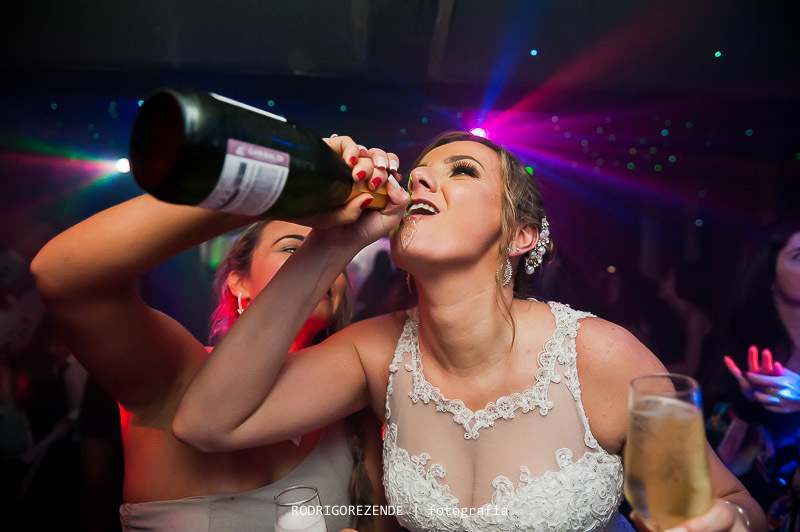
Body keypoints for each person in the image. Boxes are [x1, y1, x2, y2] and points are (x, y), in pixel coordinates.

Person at [174, 131, 767, 531]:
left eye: (461, 171)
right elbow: (206, 424)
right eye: (419, 174)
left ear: (520, 236)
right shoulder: (374, 351)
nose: (421, 181)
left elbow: (736, 504)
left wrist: (726, 523)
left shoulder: (597, 355)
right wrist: (331, 244)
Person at [31, 150, 397, 531]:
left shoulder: (352, 405)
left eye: (333, 254)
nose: (322, 260)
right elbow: (61, 276)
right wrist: (281, 183)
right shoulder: (177, 374)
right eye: (292, 247)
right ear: (238, 282)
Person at [704, 220, 800, 531]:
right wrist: (747, 405)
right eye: (798, 256)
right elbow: (719, 466)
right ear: (769, 271)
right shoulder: (740, 343)